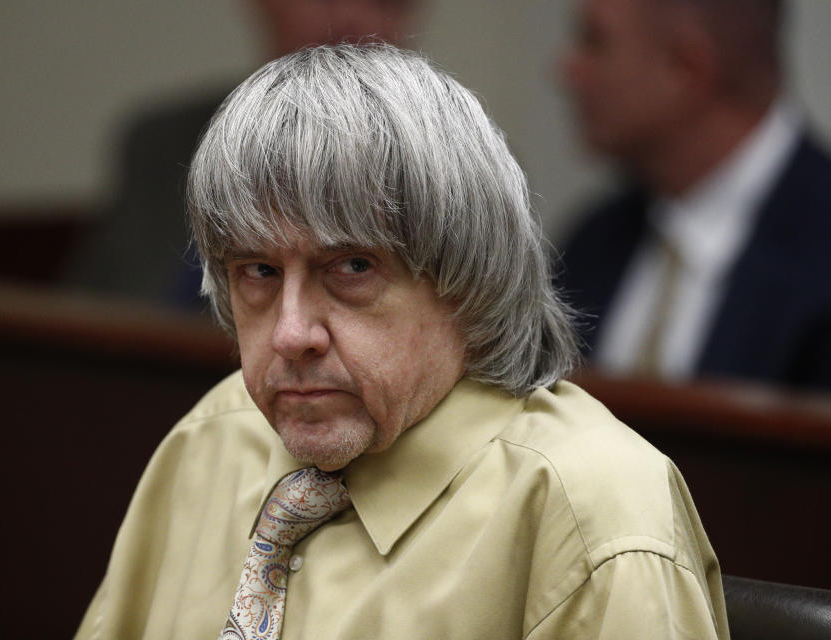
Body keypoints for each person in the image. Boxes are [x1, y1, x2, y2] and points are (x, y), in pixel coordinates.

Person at [74, 44, 728, 639]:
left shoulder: (592, 513)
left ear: (468, 278)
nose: (291, 333)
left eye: (351, 268)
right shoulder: (211, 442)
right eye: (259, 273)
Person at [62, 0, 423, 310]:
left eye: (385, 1)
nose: (350, 18)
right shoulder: (164, 142)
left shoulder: (436, 167)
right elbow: (97, 314)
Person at [557, 0, 831, 389]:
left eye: (594, 41)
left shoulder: (820, 252)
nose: (566, 68)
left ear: (686, 68)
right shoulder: (591, 243)